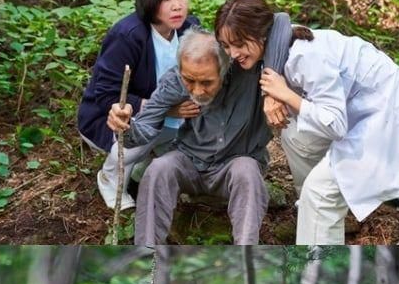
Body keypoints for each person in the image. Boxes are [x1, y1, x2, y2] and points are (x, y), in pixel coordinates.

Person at [215, 0, 399, 244]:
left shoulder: (305, 56)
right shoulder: (278, 43)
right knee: (296, 135)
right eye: (227, 46)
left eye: (239, 43)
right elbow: (280, 19)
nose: (233, 53)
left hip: (389, 116)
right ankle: (321, 215)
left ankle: (319, 224)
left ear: (261, 33)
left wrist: (285, 94)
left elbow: (335, 124)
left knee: (320, 194)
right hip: (361, 113)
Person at [108, 18, 292, 246]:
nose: (197, 90)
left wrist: (272, 89)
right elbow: (142, 130)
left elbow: (281, 20)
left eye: (207, 82)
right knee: (157, 169)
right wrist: (125, 125)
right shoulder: (175, 80)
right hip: (189, 161)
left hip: (235, 163)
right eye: (189, 80)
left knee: (247, 171)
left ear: (224, 70)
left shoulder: (251, 74)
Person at [77, 0, 200, 210]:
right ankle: (111, 179)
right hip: (114, 118)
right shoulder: (128, 35)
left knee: (194, 142)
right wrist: (164, 109)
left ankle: (141, 170)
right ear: (150, 0)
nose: (177, 5)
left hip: (175, 116)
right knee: (145, 132)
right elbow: (107, 95)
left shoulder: (190, 28)